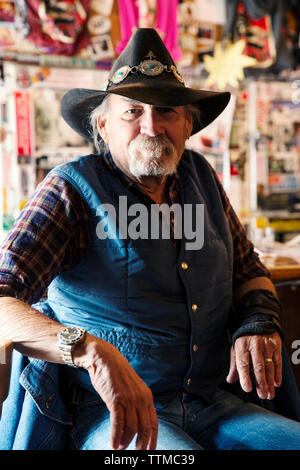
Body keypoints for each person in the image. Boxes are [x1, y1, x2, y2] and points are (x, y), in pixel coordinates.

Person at [0, 28, 300, 451]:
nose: (151, 125)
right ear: (103, 125)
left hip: (213, 403)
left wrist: (259, 317)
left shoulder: (202, 180)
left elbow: (249, 270)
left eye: (167, 112)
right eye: (132, 112)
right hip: (111, 413)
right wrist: (88, 350)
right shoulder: (70, 190)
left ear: (188, 124)